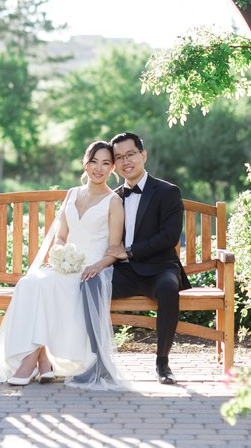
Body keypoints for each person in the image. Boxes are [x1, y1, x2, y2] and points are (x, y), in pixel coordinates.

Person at [0, 140, 128, 391]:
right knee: (29, 283)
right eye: (94, 162)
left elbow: (115, 249)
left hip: (92, 270)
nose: (99, 168)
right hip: (66, 264)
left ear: (112, 168)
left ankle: (32, 360)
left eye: (106, 163)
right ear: (85, 164)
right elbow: (62, 236)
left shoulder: (114, 201)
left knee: (49, 287)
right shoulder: (72, 194)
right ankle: (40, 359)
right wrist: (60, 254)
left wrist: (96, 266)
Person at [75, 132, 190, 385]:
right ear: (115, 164)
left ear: (143, 155)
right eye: (119, 157)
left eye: (131, 154)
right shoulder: (112, 197)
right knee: (90, 285)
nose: (126, 161)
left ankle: (163, 363)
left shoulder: (167, 191)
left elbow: (168, 236)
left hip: (160, 268)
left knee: (169, 289)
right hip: (124, 272)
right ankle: (98, 361)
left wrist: (129, 252)